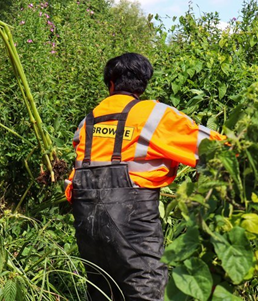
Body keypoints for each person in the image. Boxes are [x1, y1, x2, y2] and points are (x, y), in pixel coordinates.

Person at [64, 53, 225, 300]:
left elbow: (72, 186)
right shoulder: (154, 115)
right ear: (143, 84)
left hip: (88, 230)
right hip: (134, 228)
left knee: (102, 292)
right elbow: (215, 149)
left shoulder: (87, 123)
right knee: (145, 289)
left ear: (110, 84)